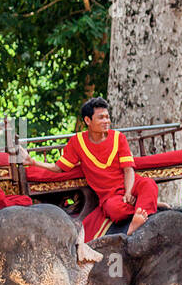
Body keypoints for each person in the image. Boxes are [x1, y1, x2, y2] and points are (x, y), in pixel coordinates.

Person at [52, 98, 159, 234]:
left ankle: (137, 218)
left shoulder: (118, 137)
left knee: (149, 184)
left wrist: (128, 192)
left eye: (107, 117)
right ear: (87, 120)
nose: (106, 121)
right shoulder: (77, 142)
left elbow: (128, 169)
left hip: (130, 185)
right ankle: (145, 206)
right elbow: (59, 167)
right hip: (110, 195)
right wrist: (33, 162)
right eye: (101, 118)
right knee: (115, 210)